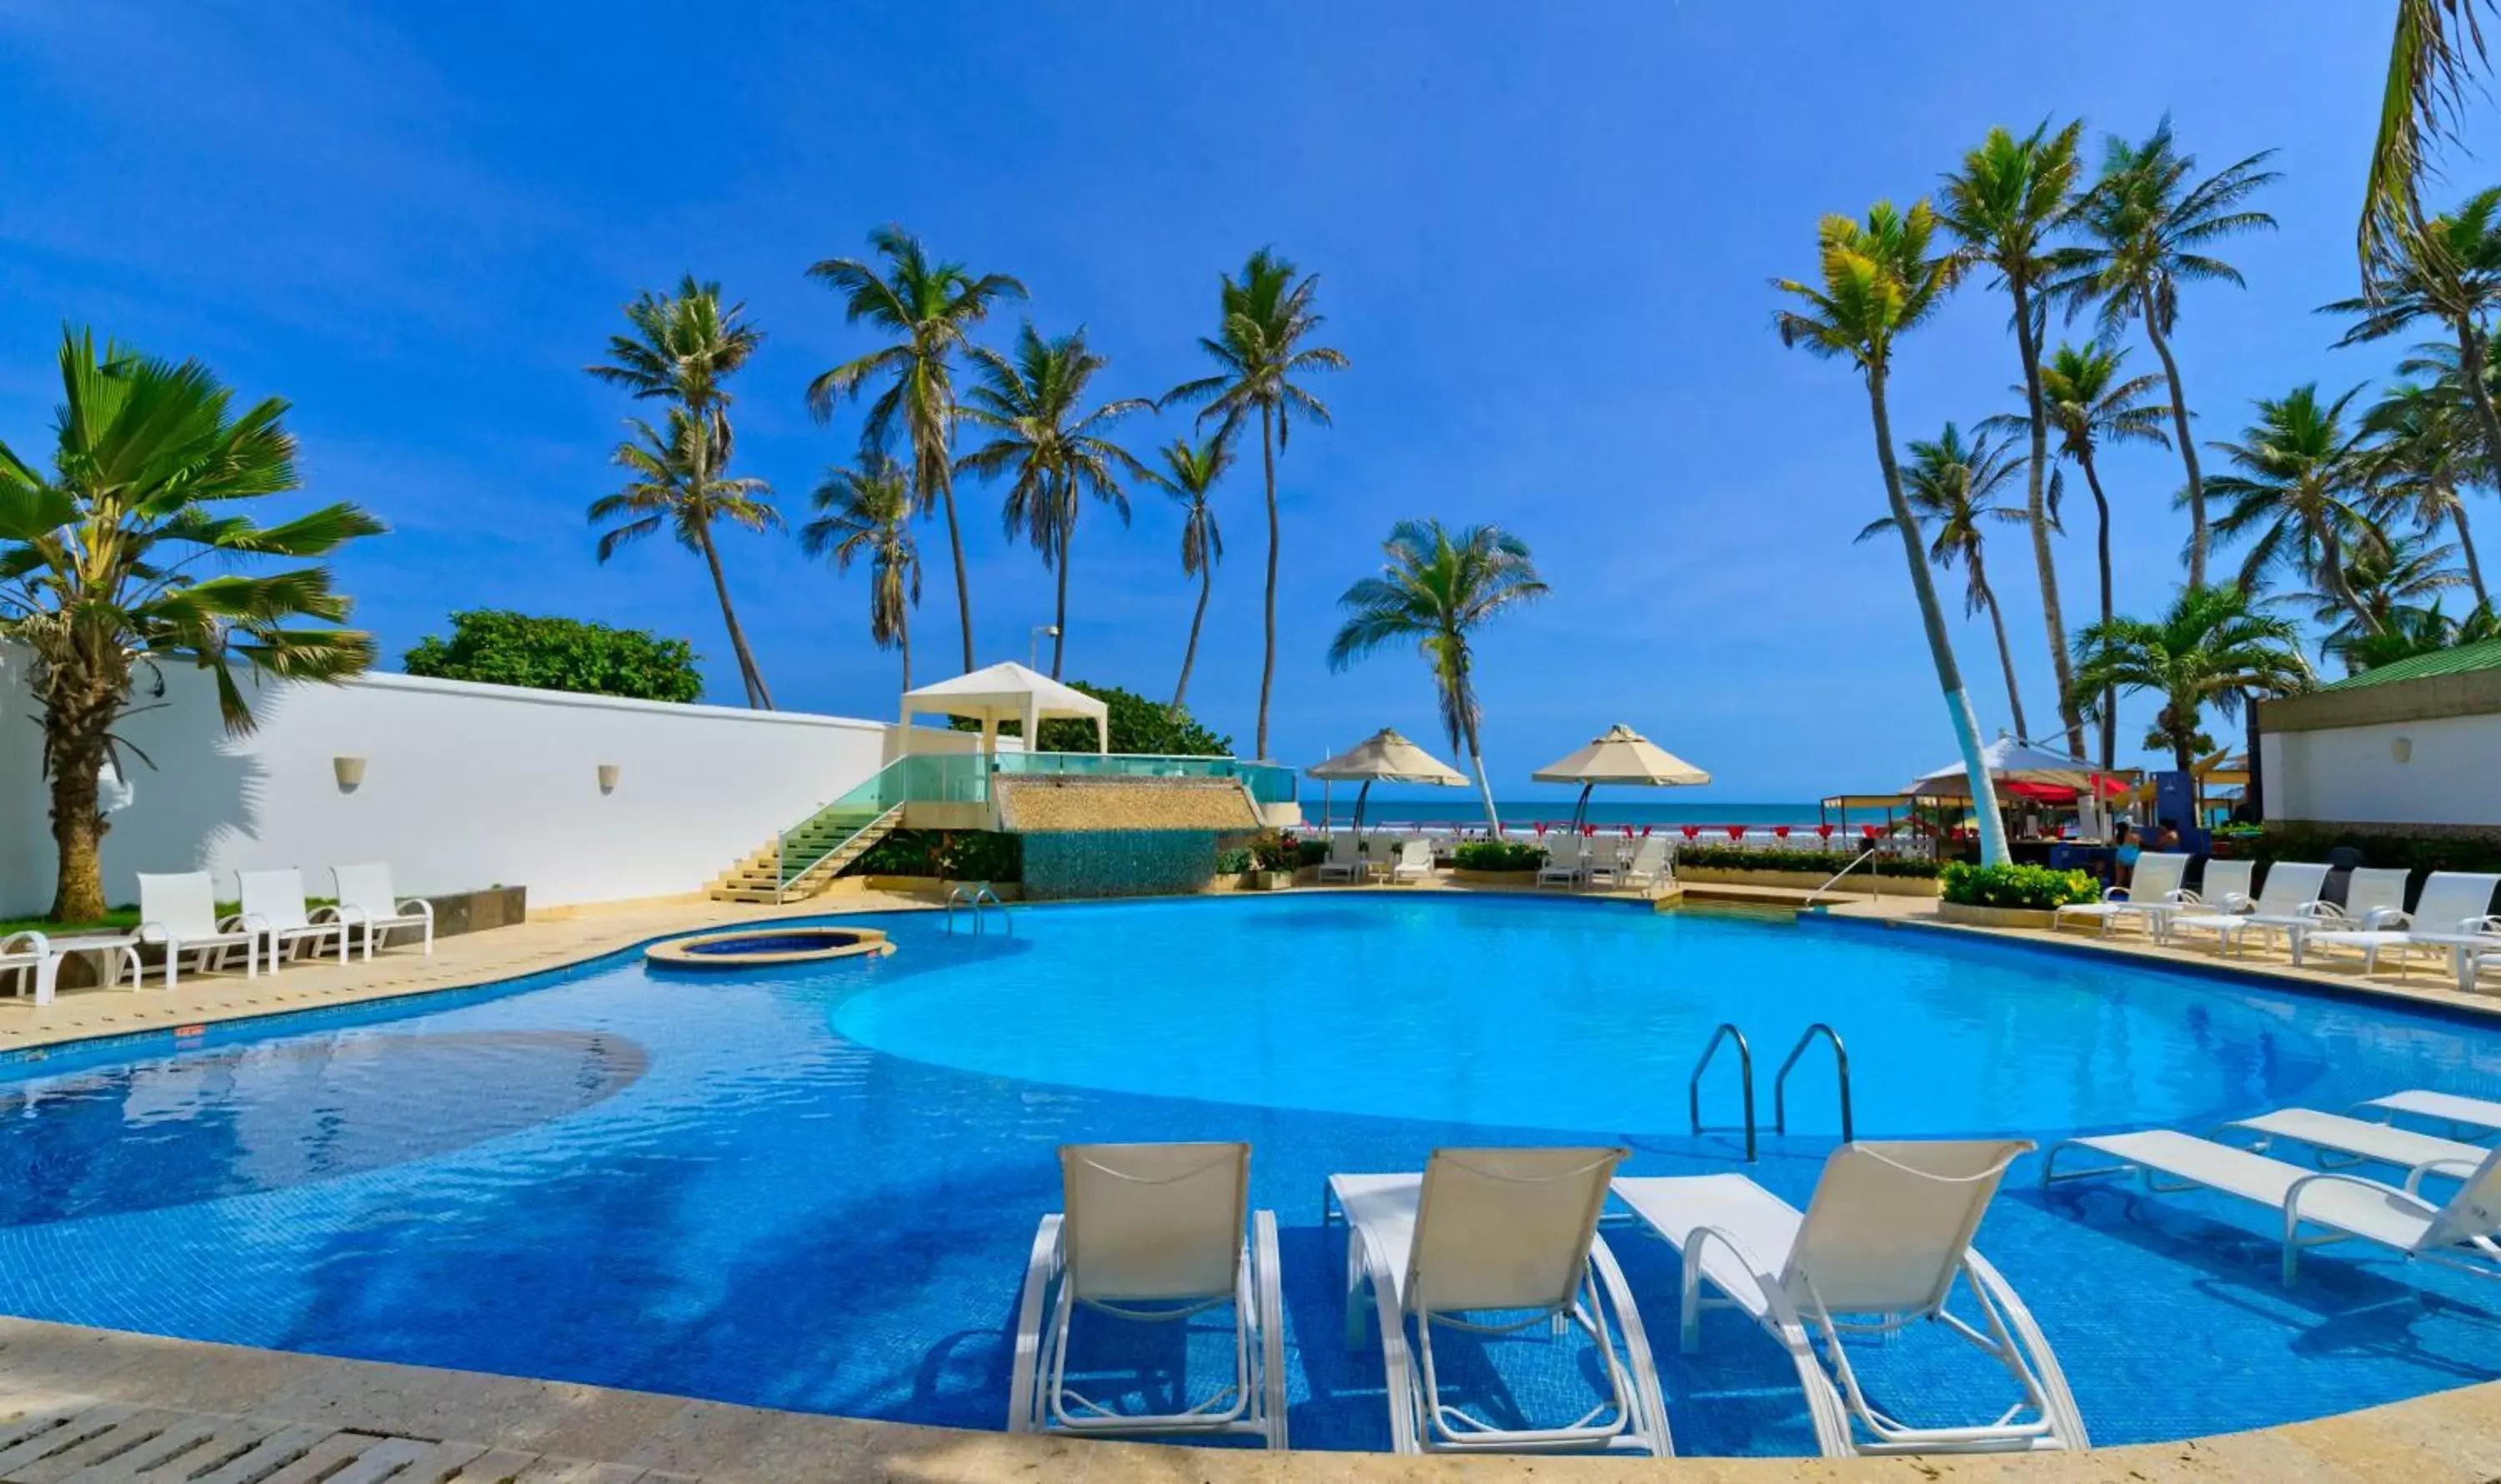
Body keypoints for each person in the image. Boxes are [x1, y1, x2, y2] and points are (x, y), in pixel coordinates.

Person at [2112, 820, 2138, 888]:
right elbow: (2137, 846)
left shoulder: (2117, 837)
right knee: (2132, 880)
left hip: (2121, 857)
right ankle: (2131, 892)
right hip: (2132, 858)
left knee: (2119, 879)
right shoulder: (2135, 837)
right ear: (2128, 828)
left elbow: (2112, 845)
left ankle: (2117, 892)